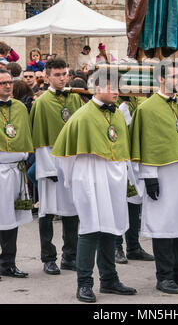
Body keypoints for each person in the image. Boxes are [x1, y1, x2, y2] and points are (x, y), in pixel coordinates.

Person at [52, 68, 137, 303]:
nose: (117, 92)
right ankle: (85, 283)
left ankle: (109, 280)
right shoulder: (82, 116)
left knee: (110, 230)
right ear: (97, 88)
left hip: (113, 178)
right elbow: (64, 155)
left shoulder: (118, 114)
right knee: (90, 229)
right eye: (111, 87)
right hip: (90, 176)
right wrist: (76, 181)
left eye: (118, 87)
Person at [129, 60, 178, 294]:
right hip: (162, 173)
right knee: (164, 224)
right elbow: (144, 143)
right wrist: (148, 176)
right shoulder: (147, 108)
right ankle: (164, 276)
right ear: (161, 79)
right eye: (174, 77)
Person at [30, 58, 84, 276]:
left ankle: (70, 256)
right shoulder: (41, 103)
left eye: (65, 74)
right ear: (47, 76)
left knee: (72, 210)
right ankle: (48, 258)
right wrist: (47, 168)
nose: (62, 78)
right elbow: (39, 137)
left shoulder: (76, 99)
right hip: (50, 163)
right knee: (48, 211)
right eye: (58, 75)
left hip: (72, 161)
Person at [0, 69, 34, 279]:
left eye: (9, 82)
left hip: (16, 170)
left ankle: (8, 263)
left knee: (11, 219)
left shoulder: (21, 107)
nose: (7, 85)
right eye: (2, 82)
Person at [115, 96, 154, 264]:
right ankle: (116, 247)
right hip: (121, 156)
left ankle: (133, 247)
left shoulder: (142, 99)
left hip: (138, 156)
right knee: (118, 205)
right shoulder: (116, 102)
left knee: (134, 204)